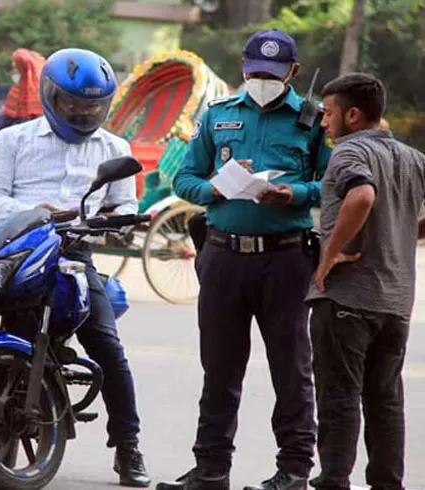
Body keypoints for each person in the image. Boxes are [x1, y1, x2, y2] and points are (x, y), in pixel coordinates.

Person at [0, 48, 152, 488]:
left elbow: (125, 202)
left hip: (72, 254)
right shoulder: (13, 139)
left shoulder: (115, 148)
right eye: (73, 104)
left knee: (108, 347)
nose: (84, 113)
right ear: (50, 95)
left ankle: (128, 447)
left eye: (93, 106)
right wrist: (36, 212)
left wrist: (114, 222)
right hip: (14, 242)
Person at [158, 29, 332, 490]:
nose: (262, 80)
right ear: (242, 67)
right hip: (223, 256)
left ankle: (294, 469)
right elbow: (184, 178)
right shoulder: (217, 116)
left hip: (286, 260)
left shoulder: (313, 121)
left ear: (293, 73)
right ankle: (211, 468)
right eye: (255, 72)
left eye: (272, 75)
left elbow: (332, 184)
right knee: (219, 367)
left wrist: (293, 192)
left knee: (291, 368)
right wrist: (213, 188)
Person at [306, 73, 425, 490]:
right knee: (385, 399)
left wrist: (332, 252)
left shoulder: (349, 151)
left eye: (330, 114)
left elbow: (361, 196)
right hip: (395, 301)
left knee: (339, 395)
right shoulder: (412, 158)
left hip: (348, 296)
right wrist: (402, 231)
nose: (324, 123)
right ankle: (387, 483)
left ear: (353, 115)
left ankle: (334, 478)